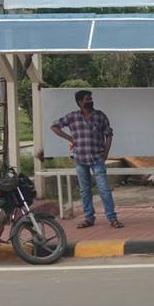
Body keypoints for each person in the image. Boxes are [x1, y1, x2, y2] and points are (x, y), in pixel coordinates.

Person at [50, 89, 123, 229]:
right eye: (87, 99)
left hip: (97, 157)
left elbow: (109, 134)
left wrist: (106, 153)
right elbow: (54, 126)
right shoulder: (72, 117)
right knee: (85, 190)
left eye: (91, 98)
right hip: (80, 158)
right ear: (80, 102)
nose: (90, 101)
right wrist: (70, 138)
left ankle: (112, 218)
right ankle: (89, 218)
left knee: (104, 189)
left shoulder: (99, 116)